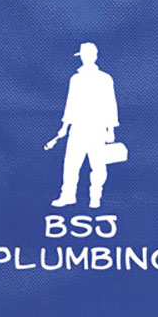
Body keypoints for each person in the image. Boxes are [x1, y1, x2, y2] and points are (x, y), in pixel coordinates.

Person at [46, 43, 119, 208]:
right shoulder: (75, 79)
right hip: (77, 128)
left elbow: (110, 104)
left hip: (97, 129)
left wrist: (111, 129)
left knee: (98, 165)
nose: (86, 58)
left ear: (95, 56)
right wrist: (64, 127)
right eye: (84, 55)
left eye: (89, 54)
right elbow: (70, 104)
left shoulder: (105, 79)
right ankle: (68, 196)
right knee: (71, 164)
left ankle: (96, 198)